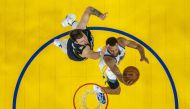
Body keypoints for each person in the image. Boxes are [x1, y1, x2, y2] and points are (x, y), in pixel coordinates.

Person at [93, 37, 149, 104]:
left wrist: (142, 55)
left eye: (116, 49)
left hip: (114, 62)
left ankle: (100, 51)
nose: (114, 52)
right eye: (111, 51)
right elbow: (118, 74)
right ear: (108, 48)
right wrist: (125, 82)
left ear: (117, 44)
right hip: (106, 67)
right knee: (117, 91)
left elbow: (138, 46)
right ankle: (98, 90)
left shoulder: (122, 41)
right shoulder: (108, 60)